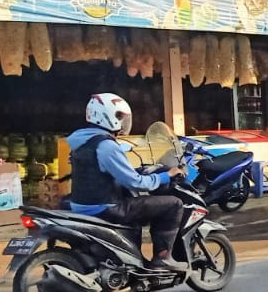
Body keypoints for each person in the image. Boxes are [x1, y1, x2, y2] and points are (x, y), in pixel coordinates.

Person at [67, 94, 187, 271]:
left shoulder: (81, 141)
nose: (123, 122)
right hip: (105, 207)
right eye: (120, 117)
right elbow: (136, 183)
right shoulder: (106, 146)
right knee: (173, 204)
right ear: (107, 116)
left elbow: (105, 171)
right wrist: (165, 176)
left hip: (80, 204)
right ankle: (162, 258)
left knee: (137, 210)